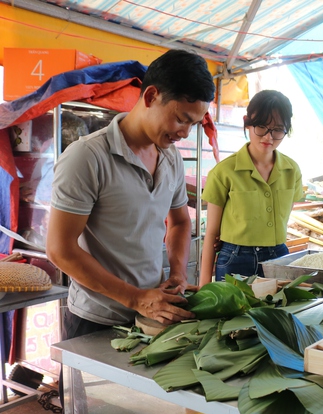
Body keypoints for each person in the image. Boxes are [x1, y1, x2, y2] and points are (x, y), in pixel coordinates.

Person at [48, 49, 215, 334]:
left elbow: (179, 222)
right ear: (150, 97)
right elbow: (60, 249)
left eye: (193, 124)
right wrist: (136, 298)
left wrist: (177, 273)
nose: (185, 133)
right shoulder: (87, 157)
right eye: (181, 119)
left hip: (154, 313)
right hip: (96, 319)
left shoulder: (171, 158)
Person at [199, 90, 303, 285]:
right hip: (234, 257)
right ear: (247, 122)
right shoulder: (224, 171)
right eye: (261, 127)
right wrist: (204, 286)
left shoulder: (292, 171)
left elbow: (283, 218)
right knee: (231, 315)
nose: (268, 137)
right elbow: (212, 234)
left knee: (274, 314)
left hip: (278, 256)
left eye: (278, 129)